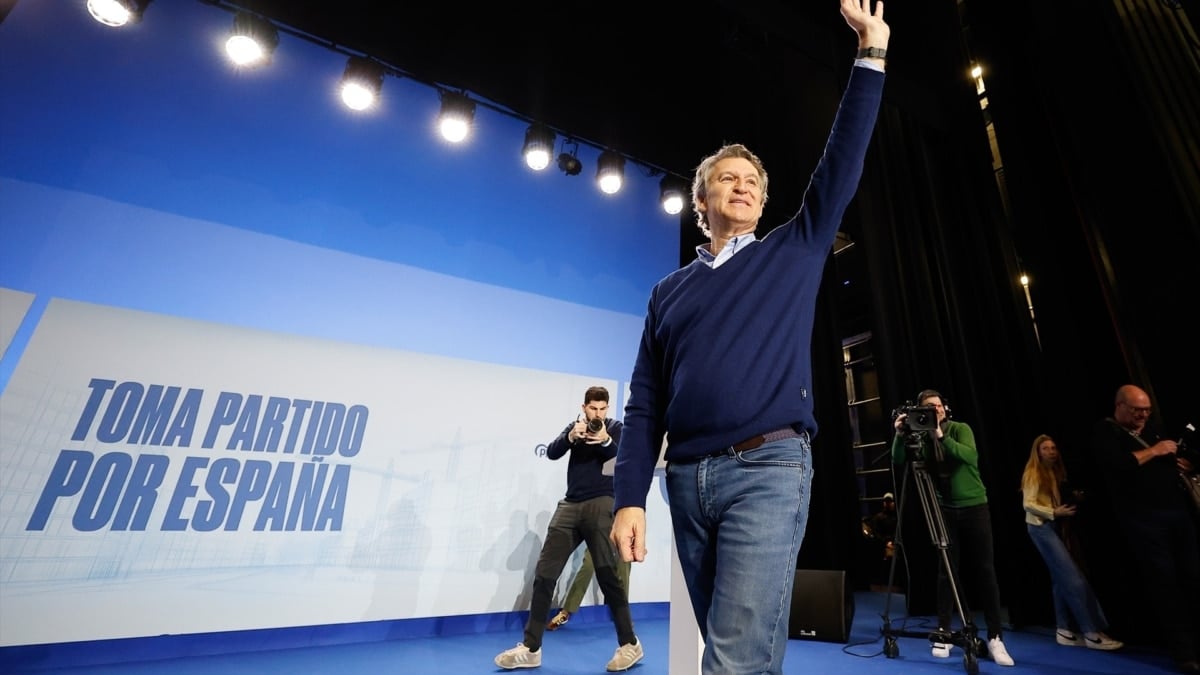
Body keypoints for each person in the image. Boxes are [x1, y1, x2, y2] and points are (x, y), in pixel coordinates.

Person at [608, 3, 889, 672]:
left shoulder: (792, 249)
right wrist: (628, 498)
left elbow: (841, 162)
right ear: (701, 200)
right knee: (741, 655)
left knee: (732, 660)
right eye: (727, 178)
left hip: (768, 470)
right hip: (686, 483)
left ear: (763, 203)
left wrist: (871, 53)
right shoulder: (667, 292)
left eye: (754, 182)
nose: (743, 186)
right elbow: (645, 405)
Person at [494, 386, 643, 671]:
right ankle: (531, 648)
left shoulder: (615, 429)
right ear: (584, 407)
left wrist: (604, 440)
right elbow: (552, 452)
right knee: (544, 575)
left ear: (607, 408)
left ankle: (630, 644)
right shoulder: (575, 427)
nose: (597, 414)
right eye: (593, 408)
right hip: (569, 505)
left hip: (602, 502)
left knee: (608, 576)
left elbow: (621, 458)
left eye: (602, 409)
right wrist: (570, 437)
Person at [891, 389, 1014, 666]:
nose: (935, 410)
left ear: (945, 408)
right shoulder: (921, 437)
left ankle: (995, 637)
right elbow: (898, 460)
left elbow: (968, 456)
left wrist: (940, 435)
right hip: (944, 509)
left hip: (974, 506)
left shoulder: (960, 429)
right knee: (946, 571)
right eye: (928, 408)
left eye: (938, 406)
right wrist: (899, 435)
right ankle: (944, 631)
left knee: (985, 571)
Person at [1091, 384, 1199, 674]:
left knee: (1193, 578)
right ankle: (1185, 653)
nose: (1143, 415)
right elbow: (1117, 465)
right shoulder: (1107, 432)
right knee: (1166, 586)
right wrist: (1155, 451)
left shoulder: (1153, 429)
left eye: (1147, 410)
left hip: (1177, 514)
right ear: (1120, 406)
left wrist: (1182, 464)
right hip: (1144, 521)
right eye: (1137, 410)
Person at [1020, 434, 1123, 651]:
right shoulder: (1033, 473)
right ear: (1038, 452)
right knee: (1074, 579)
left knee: (1060, 580)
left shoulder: (1053, 471)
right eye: (1046, 448)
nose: (1051, 452)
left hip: (1053, 527)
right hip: (1041, 528)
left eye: (1053, 448)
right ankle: (1091, 632)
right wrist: (1054, 512)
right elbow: (1028, 504)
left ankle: (1064, 630)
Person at [546, 546, 631, 631]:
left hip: (623, 539)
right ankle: (565, 612)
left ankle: (623, 615)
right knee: (587, 568)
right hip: (598, 538)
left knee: (623, 573)